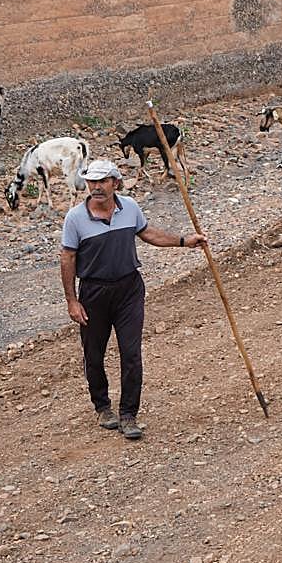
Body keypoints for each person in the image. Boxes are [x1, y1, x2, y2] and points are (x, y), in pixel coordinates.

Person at [59, 158, 206, 440]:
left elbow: (148, 233)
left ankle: (129, 414)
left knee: (131, 353)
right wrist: (72, 300)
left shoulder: (130, 208)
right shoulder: (76, 218)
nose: (97, 187)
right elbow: (68, 257)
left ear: (115, 183)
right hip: (94, 292)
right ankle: (102, 406)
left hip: (129, 289)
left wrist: (184, 241)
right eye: (92, 182)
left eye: (102, 181)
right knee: (94, 354)